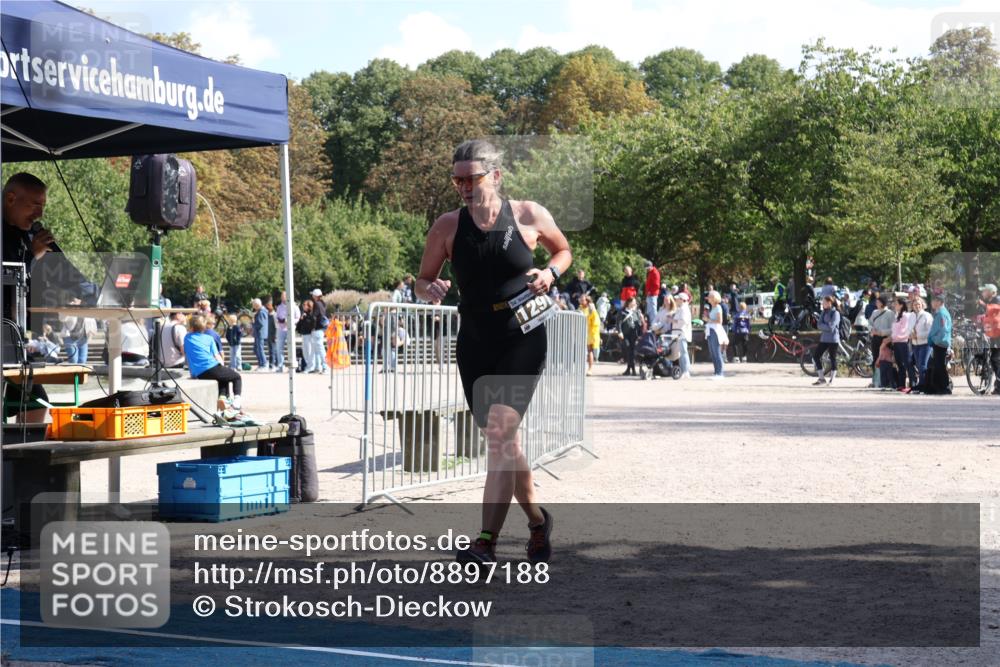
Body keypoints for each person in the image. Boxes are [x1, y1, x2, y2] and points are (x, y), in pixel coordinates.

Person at [414, 138, 570, 566]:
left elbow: (563, 249)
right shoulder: (447, 226)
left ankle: (485, 541)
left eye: (472, 178)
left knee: (501, 433)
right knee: (504, 441)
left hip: (523, 334)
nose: (464, 186)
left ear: (495, 176)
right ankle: (538, 522)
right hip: (476, 338)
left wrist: (551, 273)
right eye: (457, 179)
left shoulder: (527, 214)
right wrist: (433, 290)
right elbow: (422, 279)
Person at [184, 314, 242, 410]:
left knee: (223, 377)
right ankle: (237, 403)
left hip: (199, 373)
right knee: (236, 377)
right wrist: (222, 366)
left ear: (191, 327)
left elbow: (188, 357)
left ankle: (222, 398)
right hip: (211, 367)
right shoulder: (209, 338)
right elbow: (217, 356)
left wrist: (193, 374)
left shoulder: (187, 338)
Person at [918, 293, 952, 395]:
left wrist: (934, 339)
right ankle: (937, 387)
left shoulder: (942, 314)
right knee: (937, 366)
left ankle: (945, 387)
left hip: (940, 343)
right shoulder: (939, 313)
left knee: (940, 366)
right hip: (938, 343)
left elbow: (943, 330)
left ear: (939, 302)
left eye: (934, 301)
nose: (932, 303)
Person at [810, 295, 841, 386]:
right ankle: (821, 378)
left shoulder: (835, 313)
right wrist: (824, 326)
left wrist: (823, 326)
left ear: (830, 303)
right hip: (824, 338)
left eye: (824, 302)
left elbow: (831, 328)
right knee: (816, 356)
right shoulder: (824, 312)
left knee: (832, 359)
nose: (822, 304)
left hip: (833, 339)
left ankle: (832, 380)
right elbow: (818, 324)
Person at [890, 298, 916, 391]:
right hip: (896, 342)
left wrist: (898, 337)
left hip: (903, 342)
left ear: (901, 305)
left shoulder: (906, 316)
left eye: (896, 304)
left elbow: (905, 330)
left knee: (908, 363)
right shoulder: (897, 316)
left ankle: (913, 383)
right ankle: (901, 384)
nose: (894, 305)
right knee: (899, 364)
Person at [978, 283, 1000, 394]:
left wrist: (984, 305)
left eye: (984, 291)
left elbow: (995, 312)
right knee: (994, 359)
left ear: (991, 292)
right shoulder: (991, 302)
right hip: (994, 335)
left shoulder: (997, 300)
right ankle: (996, 386)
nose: (982, 293)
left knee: (996, 359)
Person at [868, 296, 894, 388]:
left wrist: (881, 332)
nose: (876, 303)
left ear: (883, 303)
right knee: (875, 359)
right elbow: (869, 323)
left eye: (878, 302)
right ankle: (875, 381)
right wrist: (872, 330)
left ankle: (885, 381)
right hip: (875, 338)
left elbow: (893, 328)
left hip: (885, 339)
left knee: (884, 359)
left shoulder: (890, 313)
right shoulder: (874, 312)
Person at [910, 297, 933, 388]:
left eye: (919, 304)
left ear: (922, 305)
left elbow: (930, 331)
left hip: (925, 344)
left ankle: (923, 384)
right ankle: (921, 383)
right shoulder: (912, 316)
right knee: (918, 364)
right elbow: (908, 328)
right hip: (915, 344)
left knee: (922, 364)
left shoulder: (927, 316)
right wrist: (910, 334)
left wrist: (918, 335)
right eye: (915, 304)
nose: (917, 306)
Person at [618, 297, 644, 376]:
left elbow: (639, 324)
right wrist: (620, 332)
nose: (635, 303)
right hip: (625, 334)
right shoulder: (622, 311)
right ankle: (631, 369)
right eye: (634, 302)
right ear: (629, 303)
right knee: (628, 349)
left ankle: (630, 369)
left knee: (632, 352)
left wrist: (640, 334)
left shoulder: (636, 312)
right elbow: (618, 323)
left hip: (634, 334)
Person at [704, 290, 728, 379]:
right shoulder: (713, 308)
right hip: (710, 330)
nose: (708, 298)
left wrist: (708, 320)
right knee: (712, 352)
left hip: (715, 331)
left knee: (717, 352)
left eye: (709, 296)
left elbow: (719, 321)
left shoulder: (718, 307)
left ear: (714, 298)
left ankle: (720, 373)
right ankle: (716, 372)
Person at [274, 291, 299, 373]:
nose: (282, 298)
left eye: (284, 296)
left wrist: (289, 321)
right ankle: (280, 366)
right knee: (279, 348)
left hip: (290, 329)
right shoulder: (279, 307)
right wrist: (278, 320)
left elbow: (297, 318)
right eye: (282, 296)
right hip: (281, 329)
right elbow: (276, 317)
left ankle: (290, 366)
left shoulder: (294, 306)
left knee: (290, 348)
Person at [672, 292, 692, 378]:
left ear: (682, 300)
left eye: (678, 299)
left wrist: (673, 320)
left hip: (682, 333)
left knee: (684, 352)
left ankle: (686, 371)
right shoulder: (680, 308)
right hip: (678, 333)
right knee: (681, 353)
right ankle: (684, 370)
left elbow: (683, 321)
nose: (676, 300)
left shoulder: (684, 309)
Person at [579, 294, 600, 375]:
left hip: (589, 333)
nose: (580, 300)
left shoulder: (591, 310)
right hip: (581, 333)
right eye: (580, 299)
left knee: (589, 351)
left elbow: (596, 322)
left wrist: (594, 334)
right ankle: (581, 368)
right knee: (580, 352)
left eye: (582, 299)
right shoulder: (580, 308)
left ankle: (590, 369)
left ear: (587, 301)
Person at [296, 298, 318, 372]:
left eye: (305, 305)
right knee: (305, 351)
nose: (303, 306)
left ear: (309, 306)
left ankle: (311, 366)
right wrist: (301, 319)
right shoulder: (304, 315)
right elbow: (299, 325)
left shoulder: (311, 315)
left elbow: (312, 324)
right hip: (304, 334)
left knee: (310, 351)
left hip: (309, 335)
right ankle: (308, 365)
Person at [310, 289, 330, 373]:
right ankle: (318, 367)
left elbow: (314, 317)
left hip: (317, 328)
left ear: (315, 296)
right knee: (318, 348)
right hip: (321, 328)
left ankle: (325, 367)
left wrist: (312, 327)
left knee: (319, 348)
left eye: (313, 295)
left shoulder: (316, 304)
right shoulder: (323, 304)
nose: (312, 297)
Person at [251, 297, 269, 371]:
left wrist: (253, 323)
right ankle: (261, 363)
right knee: (256, 349)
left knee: (260, 349)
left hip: (260, 334)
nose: (253, 307)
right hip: (258, 334)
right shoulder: (261, 311)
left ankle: (264, 364)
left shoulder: (262, 312)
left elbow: (260, 323)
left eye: (253, 305)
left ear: (256, 305)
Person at [265, 297, 279, 371]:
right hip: (269, 334)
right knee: (271, 350)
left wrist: (276, 335)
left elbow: (276, 326)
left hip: (273, 334)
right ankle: (272, 364)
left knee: (274, 350)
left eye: (268, 306)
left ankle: (274, 364)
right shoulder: (267, 315)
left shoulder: (274, 315)